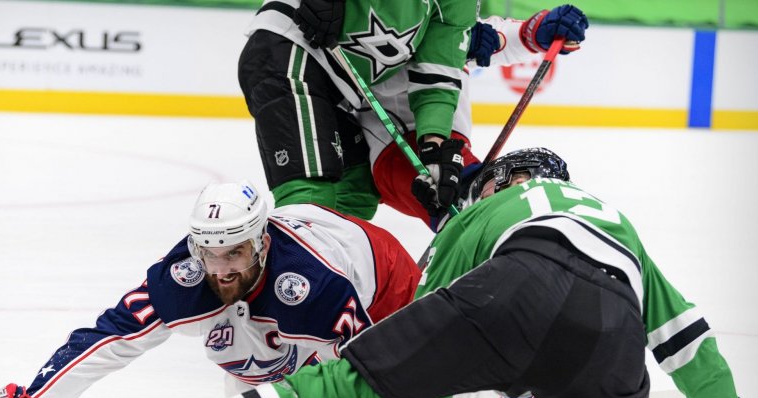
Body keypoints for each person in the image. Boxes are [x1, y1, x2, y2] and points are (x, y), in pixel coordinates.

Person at [81, 149, 758, 398]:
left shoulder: (482, 216)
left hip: (515, 282)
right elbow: (693, 352)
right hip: (612, 317)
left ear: (506, 183)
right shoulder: (620, 226)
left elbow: (435, 343)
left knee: (346, 385)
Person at [0, 180, 421, 398]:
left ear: (261, 242)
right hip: (289, 312)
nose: (220, 270)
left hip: (380, 278)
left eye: (234, 252)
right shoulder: (187, 273)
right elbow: (112, 337)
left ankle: (493, 389)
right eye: (209, 253)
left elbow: (368, 369)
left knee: (422, 390)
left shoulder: (314, 285)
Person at [240, 1, 588, 228]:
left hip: (377, 113)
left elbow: (449, 61)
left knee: (347, 212)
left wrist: (436, 149)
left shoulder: (453, 13)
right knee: (311, 202)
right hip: (305, 61)